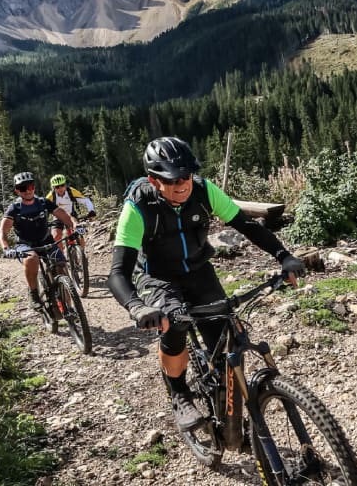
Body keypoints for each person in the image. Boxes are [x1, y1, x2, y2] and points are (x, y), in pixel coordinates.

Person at [107, 137, 306, 431]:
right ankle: (179, 393)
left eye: (186, 176)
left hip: (199, 270)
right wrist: (137, 307)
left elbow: (246, 226)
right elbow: (118, 273)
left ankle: (229, 409)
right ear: (154, 180)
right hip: (157, 277)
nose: (182, 185)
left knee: (225, 339)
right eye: (172, 180)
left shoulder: (203, 190)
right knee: (173, 325)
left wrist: (284, 256)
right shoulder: (138, 206)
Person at [0, 171, 77, 306]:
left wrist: (75, 226)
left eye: (31, 187)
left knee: (61, 267)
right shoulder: (15, 209)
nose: (28, 191)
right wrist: (6, 248)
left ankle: (69, 308)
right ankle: (33, 293)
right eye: (23, 188)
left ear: (34, 187)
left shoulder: (43, 203)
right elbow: (2, 231)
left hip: (46, 240)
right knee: (31, 259)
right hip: (25, 245)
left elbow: (64, 216)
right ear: (17, 191)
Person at [46, 174, 96, 243]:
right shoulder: (50, 196)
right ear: (53, 188)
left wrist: (91, 211)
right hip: (58, 217)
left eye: (62, 185)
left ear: (65, 185)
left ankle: (82, 252)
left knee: (79, 233)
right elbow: (43, 209)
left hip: (71, 214)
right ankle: (60, 253)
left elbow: (86, 200)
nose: (60, 188)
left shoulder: (71, 191)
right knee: (56, 237)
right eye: (57, 187)